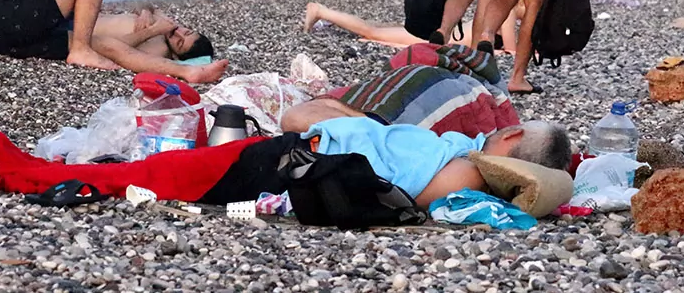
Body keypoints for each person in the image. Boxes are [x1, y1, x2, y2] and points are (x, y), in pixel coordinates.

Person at [202, 113, 571, 209]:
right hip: (322, 142)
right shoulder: (466, 159)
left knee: (178, 172)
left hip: (299, 155)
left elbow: (401, 193)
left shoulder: (469, 174)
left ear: (512, 135)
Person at [0, 0, 228, 83]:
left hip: (68, 26)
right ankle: (17, 9)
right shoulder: (167, 24)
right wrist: (147, 11)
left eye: (179, 41)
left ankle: (14, 17)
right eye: (185, 31)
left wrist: (153, 31)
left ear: (177, 56)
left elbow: (115, 48)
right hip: (75, 11)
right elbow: (142, 2)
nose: (177, 33)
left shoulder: (158, 47)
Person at [302, 0, 524, 51]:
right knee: (373, 31)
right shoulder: (509, 11)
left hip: (438, 35)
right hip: (431, 39)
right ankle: (321, 10)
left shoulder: (504, 9)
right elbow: (510, 51)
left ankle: (328, 18)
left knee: (377, 28)